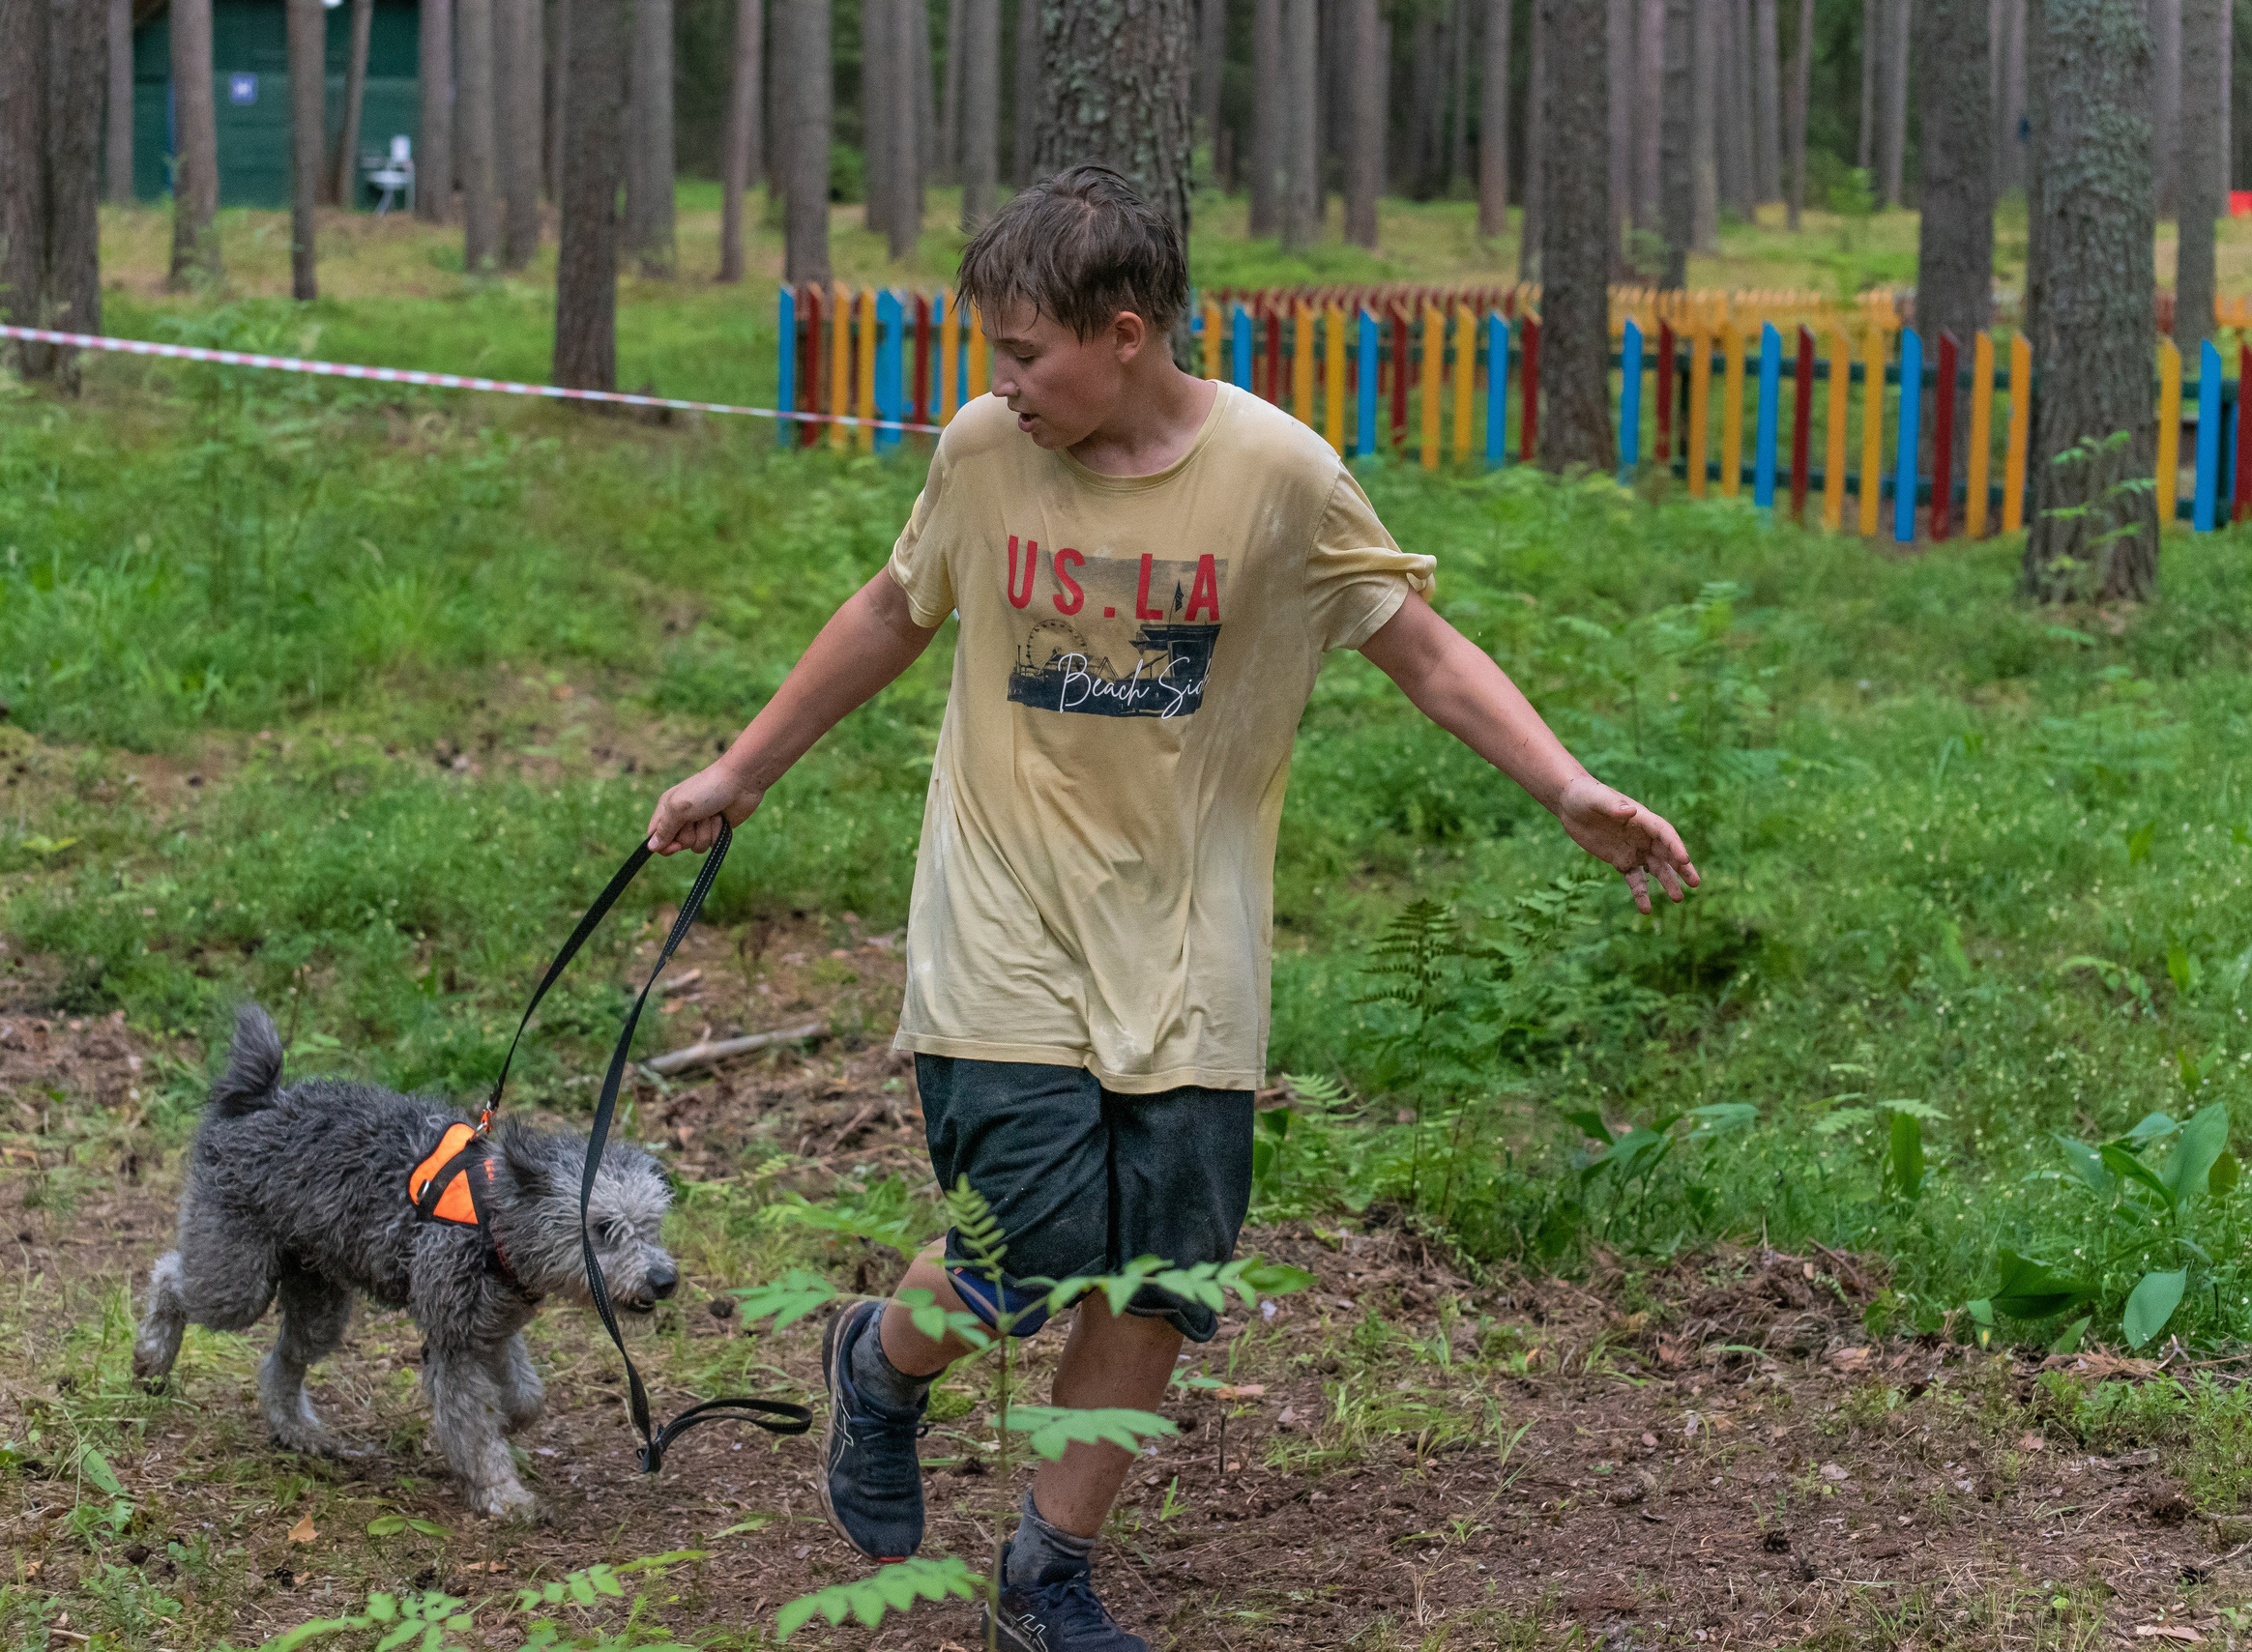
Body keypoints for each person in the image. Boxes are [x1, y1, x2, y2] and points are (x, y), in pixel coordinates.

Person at [646, 165, 1699, 1652]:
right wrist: (740, 770)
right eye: (996, 357)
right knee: (1039, 1234)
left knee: (1163, 1269)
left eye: (1026, 354)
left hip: (1192, 939)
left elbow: (1422, 648)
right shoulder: (982, 456)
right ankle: (879, 1365)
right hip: (1001, 914)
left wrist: (1570, 787)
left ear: (1125, 333)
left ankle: (1045, 1575)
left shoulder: (1277, 474)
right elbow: (894, 608)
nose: (1001, 385)